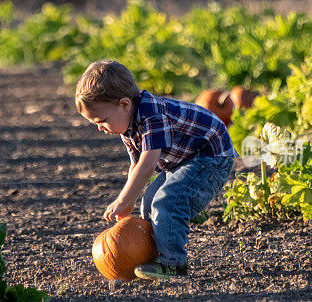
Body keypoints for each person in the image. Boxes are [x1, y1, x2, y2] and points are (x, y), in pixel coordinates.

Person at [74, 59, 237, 279]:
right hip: (187, 158)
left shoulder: (151, 115)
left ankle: (173, 264)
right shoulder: (127, 126)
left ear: (124, 104)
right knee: (149, 201)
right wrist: (129, 200)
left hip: (211, 156)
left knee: (167, 202)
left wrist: (122, 200)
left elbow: (147, 164)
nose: (100, 129)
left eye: (102, 120)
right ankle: (154, 254)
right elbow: (135, 165)